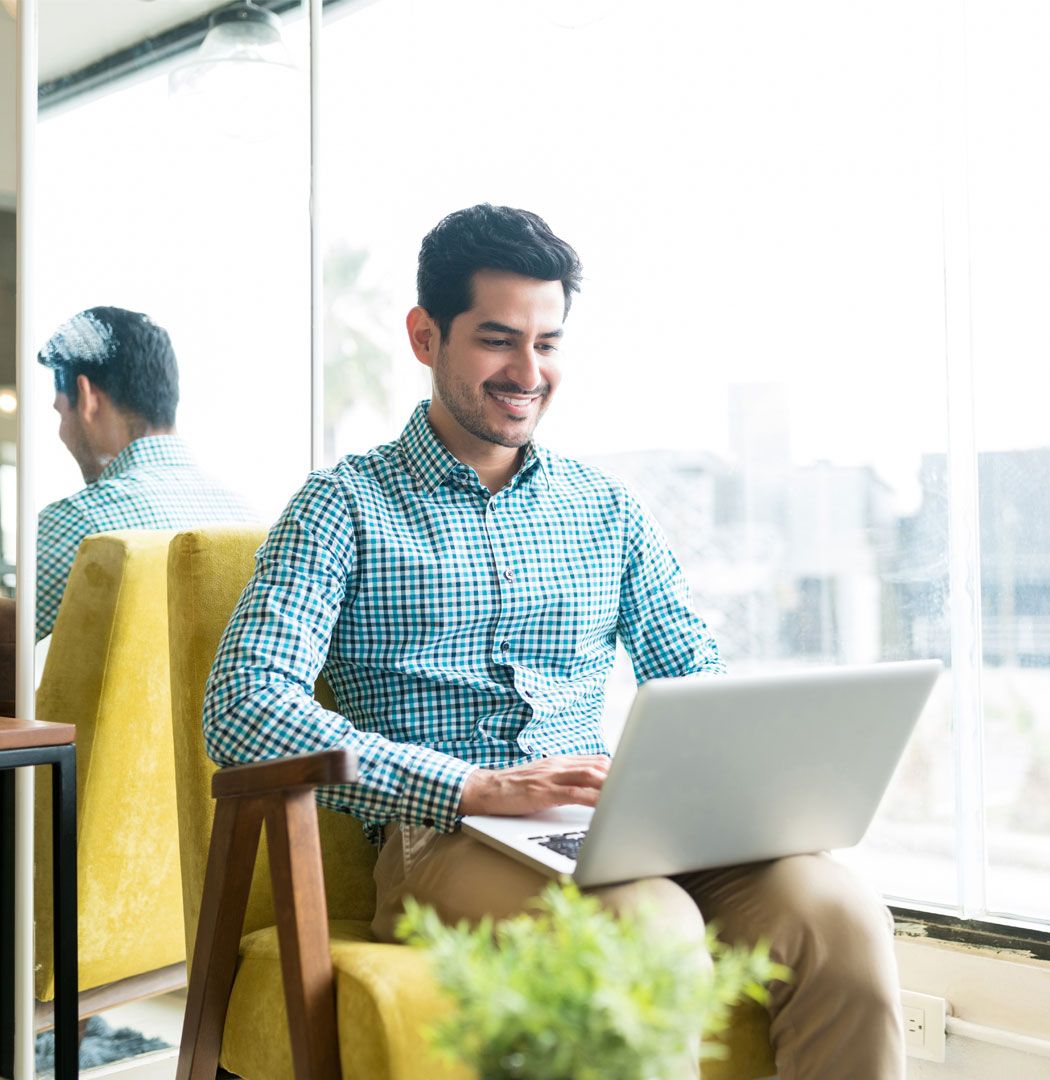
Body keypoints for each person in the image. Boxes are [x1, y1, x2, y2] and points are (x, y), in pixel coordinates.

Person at [204, 205, 904, 1079]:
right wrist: (474, 786)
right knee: (651, 929)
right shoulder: (342, 505)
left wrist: (755, 787)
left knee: (840, 917)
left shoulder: (606, 509)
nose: (527, 372)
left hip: (619, 825)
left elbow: (695, 676)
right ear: (426, 336)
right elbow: (242, 710)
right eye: (498, 340)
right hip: (443, 837)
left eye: (548, 343)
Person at [29, 305, 256, 642]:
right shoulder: (248, 520)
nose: (62, 431)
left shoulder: (80, 523)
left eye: (61, 412)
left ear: (88, 397)